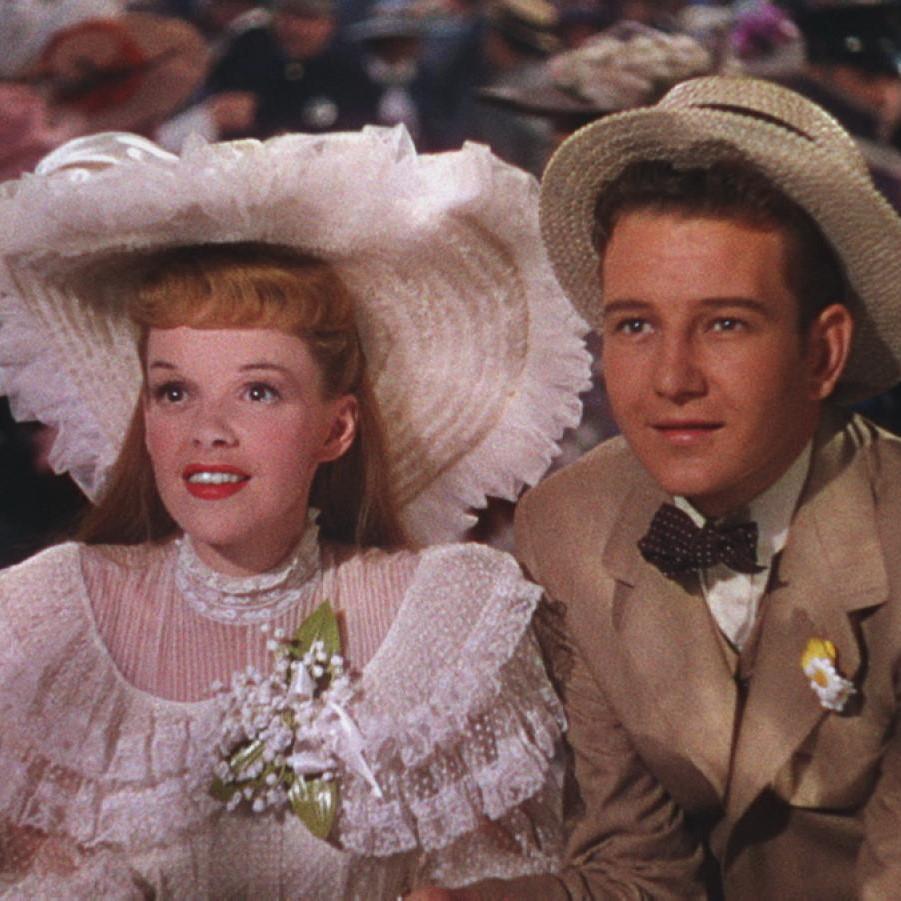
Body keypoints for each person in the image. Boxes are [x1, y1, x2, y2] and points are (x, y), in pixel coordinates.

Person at [0, 127, 590, 897]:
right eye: (174, 391)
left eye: (258, 391)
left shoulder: (443, 619)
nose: (208, 430)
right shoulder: (47, 615)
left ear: (336, 428)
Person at [418, 75, 901, 898]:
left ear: (821, 353)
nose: (671, 379)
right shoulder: (569, 522)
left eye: (724, 324)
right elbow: (638, 872)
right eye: (635, 325)